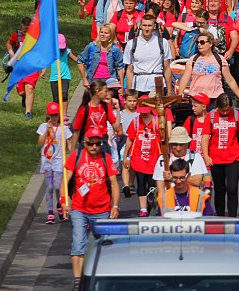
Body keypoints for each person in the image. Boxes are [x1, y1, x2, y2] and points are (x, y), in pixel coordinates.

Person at [63, 127, 120, 289]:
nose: (94, 147)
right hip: (79, 208)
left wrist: (115, 205)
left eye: (97, 144)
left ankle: (101, 276)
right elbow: (65, 181)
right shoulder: (76, 156)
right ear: (84, 143)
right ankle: (77, 279)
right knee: (78, 243)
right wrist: (64, 200)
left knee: (104, 245)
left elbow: (114, 183)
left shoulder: (106, 158)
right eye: (90, 144)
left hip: (102, 209)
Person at [176, 30, 239, 108]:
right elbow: (185, 78)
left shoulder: (220, 59)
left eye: (202, 42)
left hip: (215, 98)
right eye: (197, 42)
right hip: (196, 98)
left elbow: (230, 80)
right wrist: (180, 92)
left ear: (210, 44)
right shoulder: (193, 59)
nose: (199, 45)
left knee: (213, 119)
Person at [205, 93, 239, 217]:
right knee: (219, 189)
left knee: (232, 189)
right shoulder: (211, 116)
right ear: (217, 107)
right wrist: (206, 156)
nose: (225, 113)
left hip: (233, 158)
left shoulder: (236, 115)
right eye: (222, 110)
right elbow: (205, 138)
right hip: (216, 159)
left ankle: (232, 218)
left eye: (227, 110)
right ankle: (220, 216)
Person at [123, 99, 163, 217]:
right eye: (142, 111)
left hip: (154, 158)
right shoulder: (135, 122)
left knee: (152, 184)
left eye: (146, 111)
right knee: (141, 183)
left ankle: (151, 201)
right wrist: (126, 156)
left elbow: (164, 140)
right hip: (138, 157)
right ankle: (143, 208)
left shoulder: (156, 122)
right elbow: (130, 139)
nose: (144, 114)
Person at [37, 101, 73, 225]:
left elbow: (69, 143)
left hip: (59, 161)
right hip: (47, 161)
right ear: (48, 115)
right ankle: (50, 212)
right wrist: (47, 131)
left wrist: (71, 155)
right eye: (52, 115)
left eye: (56, 115)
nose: (53, 118)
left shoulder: (64, 128)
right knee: (49, 187)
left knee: (58, 186)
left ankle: (59, 204)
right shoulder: (43, 127)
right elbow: (40, 143)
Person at [123, 13, 174, 94]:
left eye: (149, 25)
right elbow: (129, 70)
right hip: (138, 85)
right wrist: (130, 92)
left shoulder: (162, 42)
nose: (147, 28)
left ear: (154, 26)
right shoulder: (131, 44)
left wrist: (170, 91)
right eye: (144, 25)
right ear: (140, 26)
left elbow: (167, 68)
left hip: (157, 84)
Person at [153, 126, 209, 197]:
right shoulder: (163, 159)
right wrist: (163, 202)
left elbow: (197, 181)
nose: (178, 148)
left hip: (191, 197)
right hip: (170, 198)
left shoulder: (195, 157)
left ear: (187, 144)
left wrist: (172, 178)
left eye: (181, 145)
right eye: (175, 145)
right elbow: (160, 184)